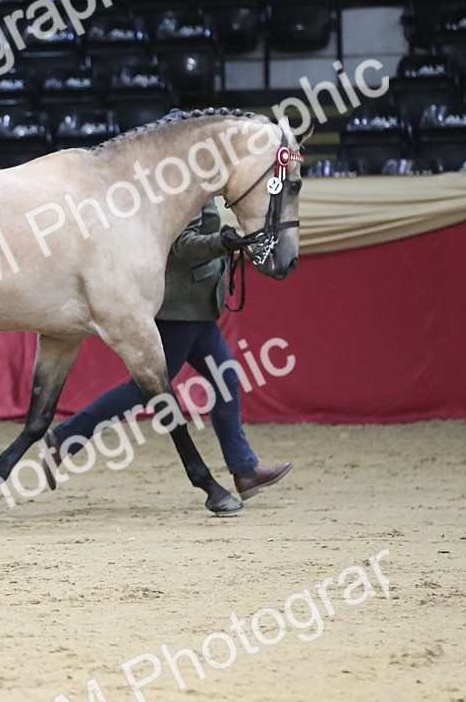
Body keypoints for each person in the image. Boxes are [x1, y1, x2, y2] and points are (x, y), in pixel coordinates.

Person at [40, 199, 293, 503]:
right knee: (144, 390)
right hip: (179, 310)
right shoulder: (186, 193)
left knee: (224, 379)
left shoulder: (201, 190)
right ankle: (64, 437)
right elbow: (181, 246)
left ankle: (244, 470)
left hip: (198, 308)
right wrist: (221, 242)